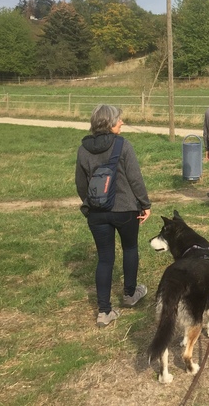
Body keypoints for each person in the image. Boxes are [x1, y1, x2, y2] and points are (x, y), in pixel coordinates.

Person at [75, 104, 151, 327]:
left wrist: (90, 203)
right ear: (109, 123)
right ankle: (129, 294)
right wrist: (145, 204)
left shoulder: (83, 149)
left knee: (105, 258)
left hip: (97, 213)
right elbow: (135, 178)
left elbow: (81, 184)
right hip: (126, 209)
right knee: (130, 248)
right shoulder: (123, 145)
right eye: (119, 120)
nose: (122, 123)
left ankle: (104, 312)